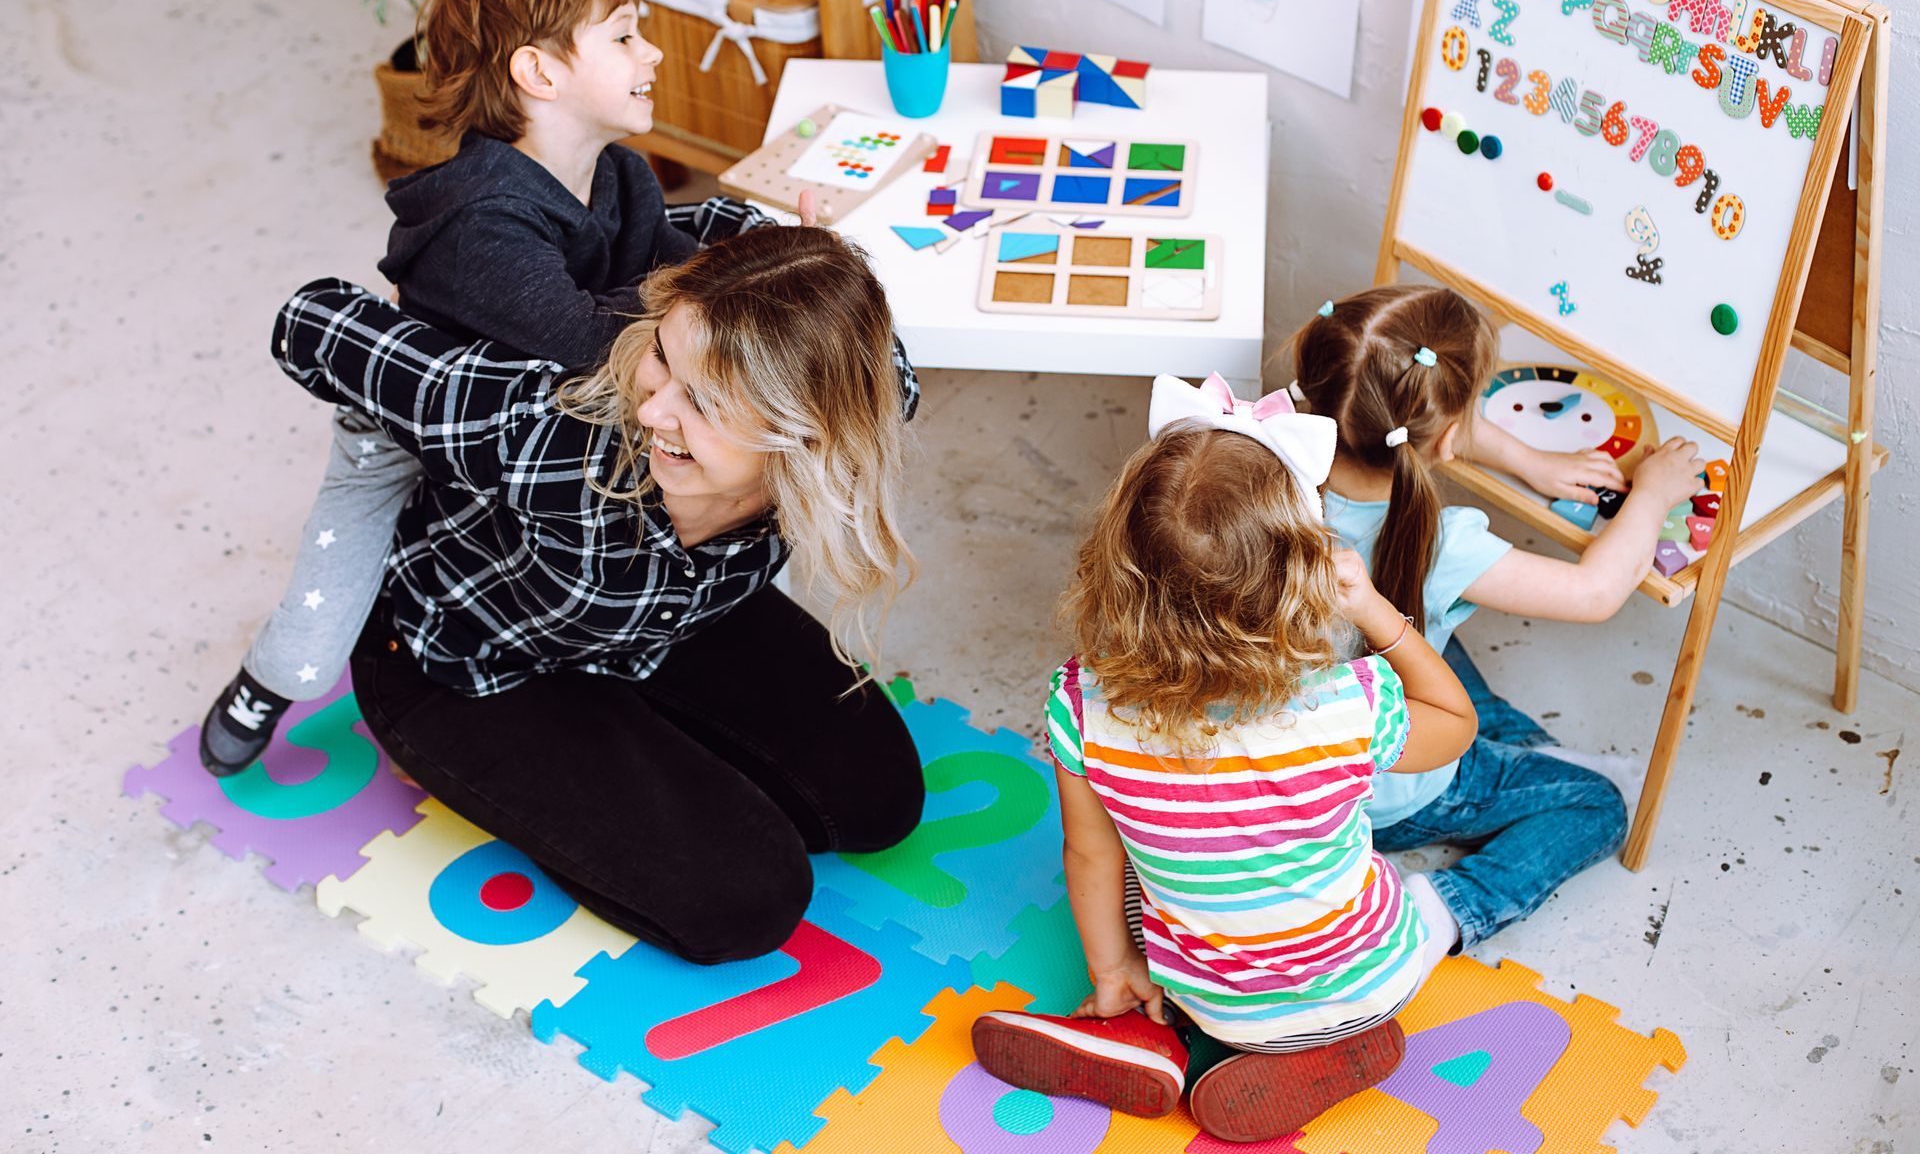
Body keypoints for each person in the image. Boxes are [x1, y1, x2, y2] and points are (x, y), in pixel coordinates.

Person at [268, 225, 926, 964]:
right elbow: (311, 319)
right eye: (661, 358)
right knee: (747, 902)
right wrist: (451, 284)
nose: (653, 412)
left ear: (809, 436)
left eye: (703, 403)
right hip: (468, 660)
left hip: (669, 621)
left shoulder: (867, 398)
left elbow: (845, 328)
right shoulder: (545, 439)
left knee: (881, 802)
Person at [200, 0, 769, 774]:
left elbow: (664, 274)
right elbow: (593, 345)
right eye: (623, 36)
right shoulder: (484, 226)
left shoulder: (626, 175)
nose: (652, 51)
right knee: (325, 628)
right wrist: (684, 308)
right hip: (406, 425)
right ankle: (266, 679)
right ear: (539, 76)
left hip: (527, 417)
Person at [971, 375, 1477, 1143]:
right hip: (1375, 976)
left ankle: (1153, 1031)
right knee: (1379, 878)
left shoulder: (1082, 704)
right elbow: (1457, 723)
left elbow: (1088, 853)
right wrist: (1374, 608)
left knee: (1142, 860)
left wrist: (1112, 976)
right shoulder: (1350, 703)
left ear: (1115, 568)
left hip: (1212, 996)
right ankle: (1327, 1040)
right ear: (1304, 573)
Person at [1289, 284, 1706, 958]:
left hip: (1299, 720)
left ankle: (1522, 756)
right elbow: (1597, 592)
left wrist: (1534, 461)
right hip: (1387, 791)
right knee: (1598, 805)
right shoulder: (1441, 544)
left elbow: (1423, 422)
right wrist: (1652, 495)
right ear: (1445, 435)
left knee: (1424, 638)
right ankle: (1450, 911)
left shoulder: (1262, 454)